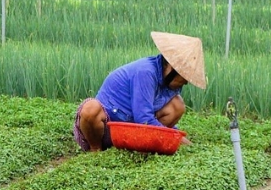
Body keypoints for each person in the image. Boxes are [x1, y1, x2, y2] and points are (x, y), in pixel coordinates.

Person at [73, 31, 207, 152]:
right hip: (108, 128)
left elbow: (150, 117)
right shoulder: (146, 72)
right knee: (90, 109)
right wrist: (176, 139)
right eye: (184, 78)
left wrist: (174, 134)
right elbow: (143, 119)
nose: (185, 83)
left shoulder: (170, 83)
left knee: (177, 105)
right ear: (172, 68)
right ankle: (95, 149)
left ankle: (143, 147)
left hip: (130, 130)